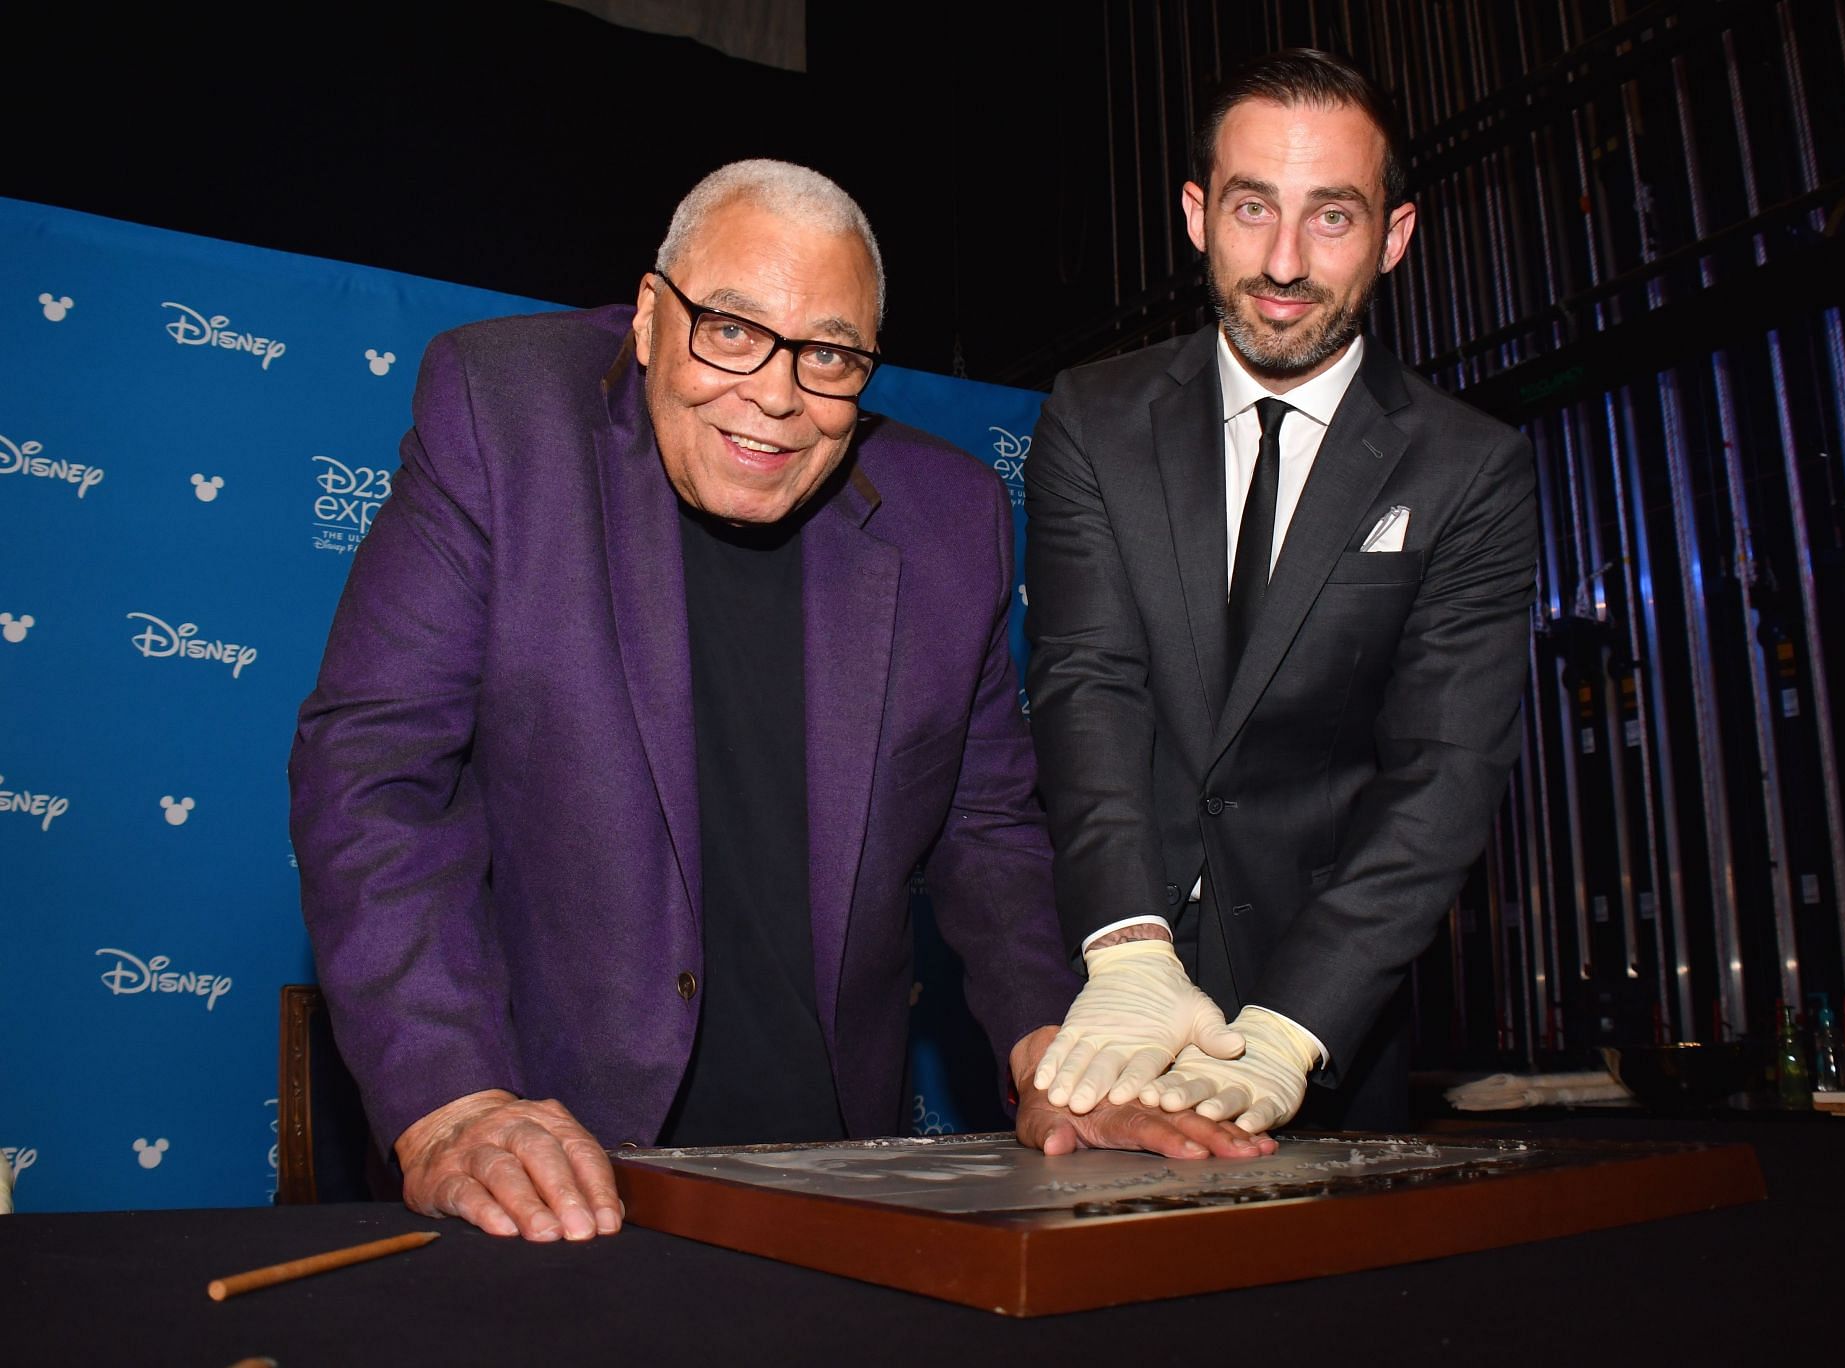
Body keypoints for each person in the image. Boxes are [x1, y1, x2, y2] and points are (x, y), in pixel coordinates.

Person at [289, 160, 1272, 1245]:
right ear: (653, 319)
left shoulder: (951, 518)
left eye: (829, 355)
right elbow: (374, 773)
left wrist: (1058, 1049)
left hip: (832, 1170)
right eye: (731, 329)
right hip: (542, 1158)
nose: (774, 392)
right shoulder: (503, 411)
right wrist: (452, 1099)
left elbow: (987, 829)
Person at [1024, 51, 1538, 1134]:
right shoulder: (1094, 417)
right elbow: (1089, 681)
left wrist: (1296, 1024)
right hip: (1105, 988)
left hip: (1327, 1028)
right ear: (1197, 214)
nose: (1286, 262)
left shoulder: (1468, 468)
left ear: (1395, 235)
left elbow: (1444, 771)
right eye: (1253, 208)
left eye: (1334, 217)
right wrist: (1124, 947)